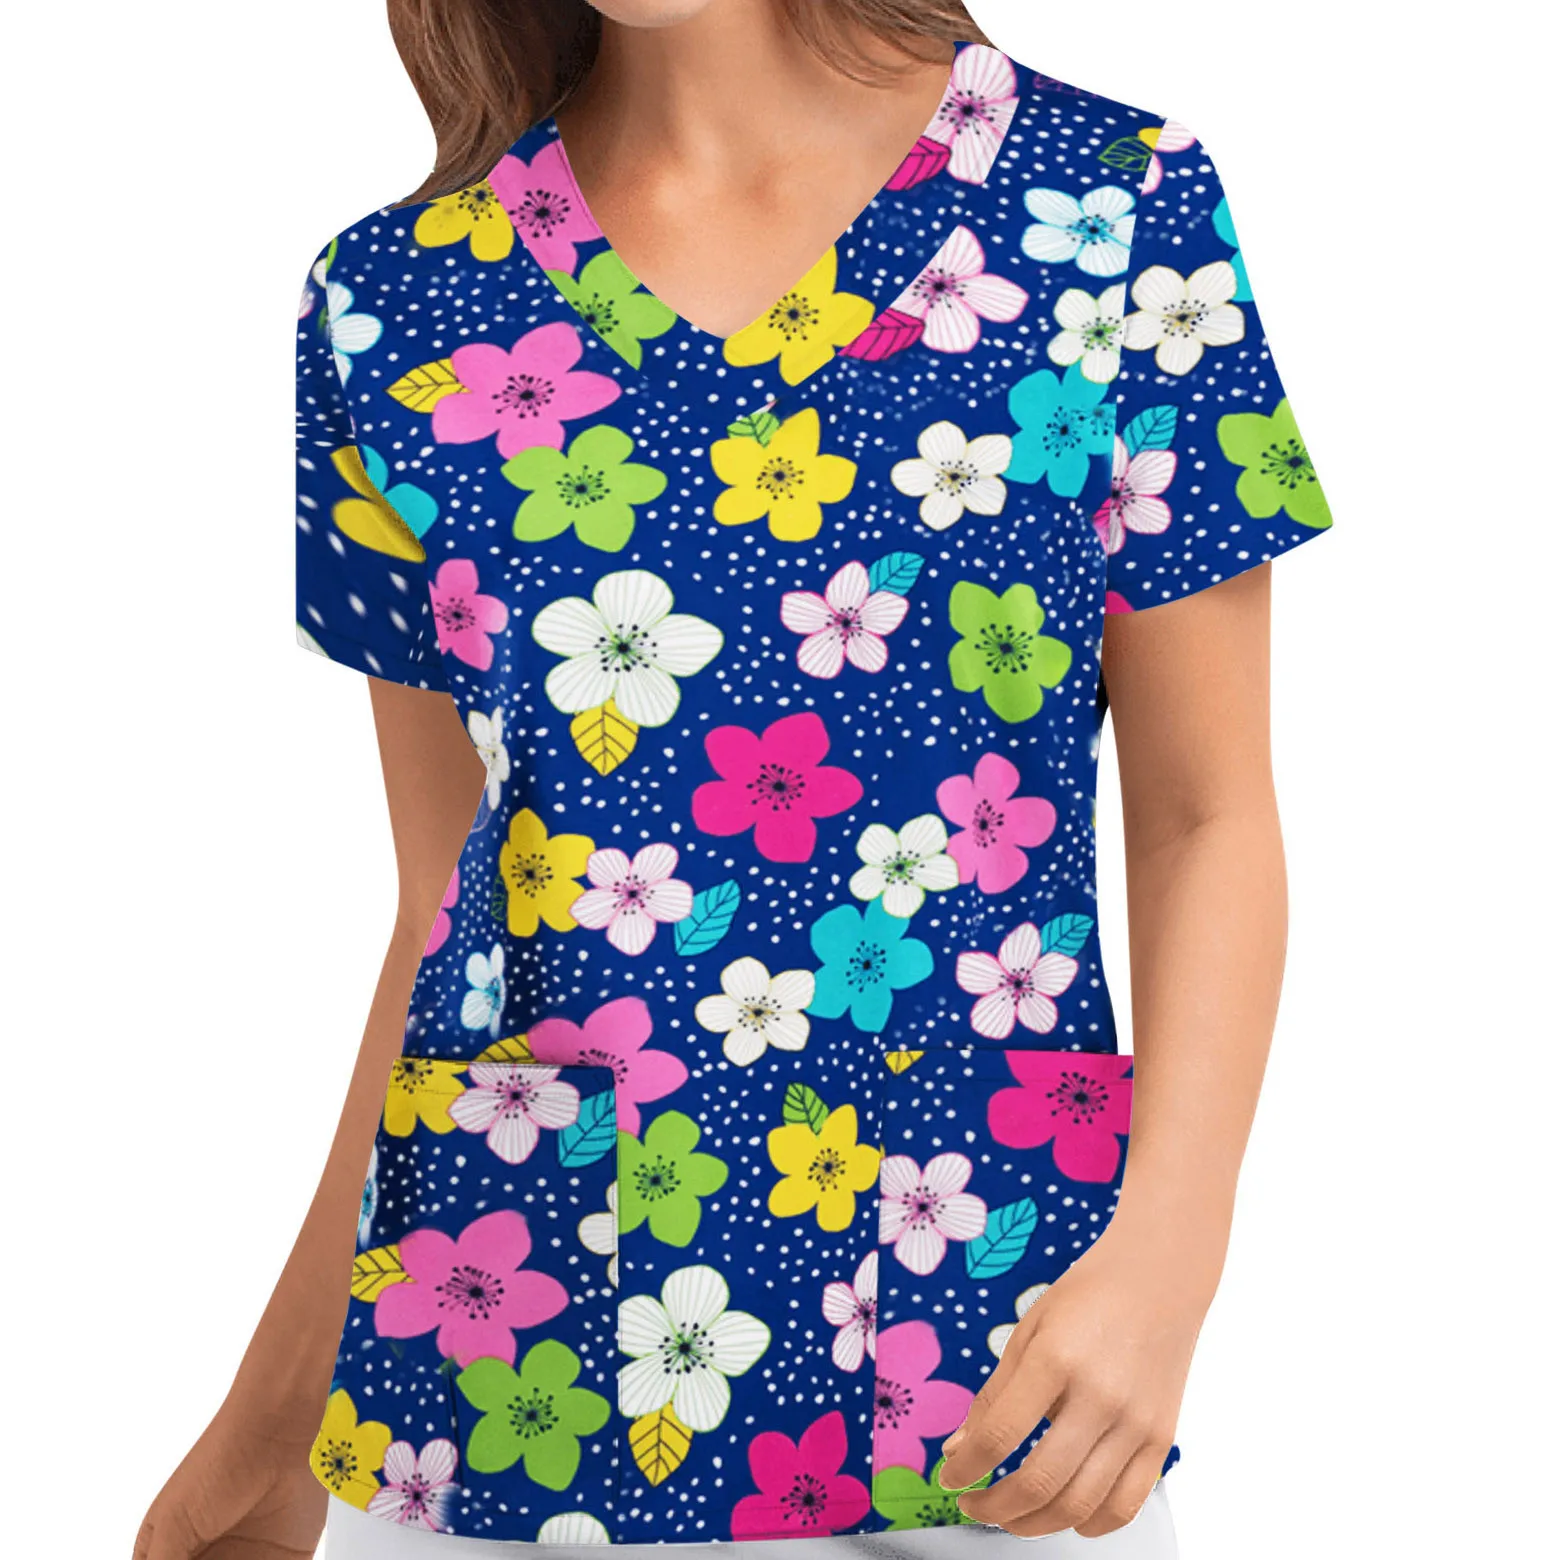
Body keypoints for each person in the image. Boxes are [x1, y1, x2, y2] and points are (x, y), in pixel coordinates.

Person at [134, 1, 1330, 1556]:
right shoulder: (391, 302)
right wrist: (269, 1433)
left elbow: (1206, 815)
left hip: (994, 1371)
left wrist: (1172, 1253)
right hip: (502, 1404)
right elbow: (448, 914)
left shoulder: (1114, 205)